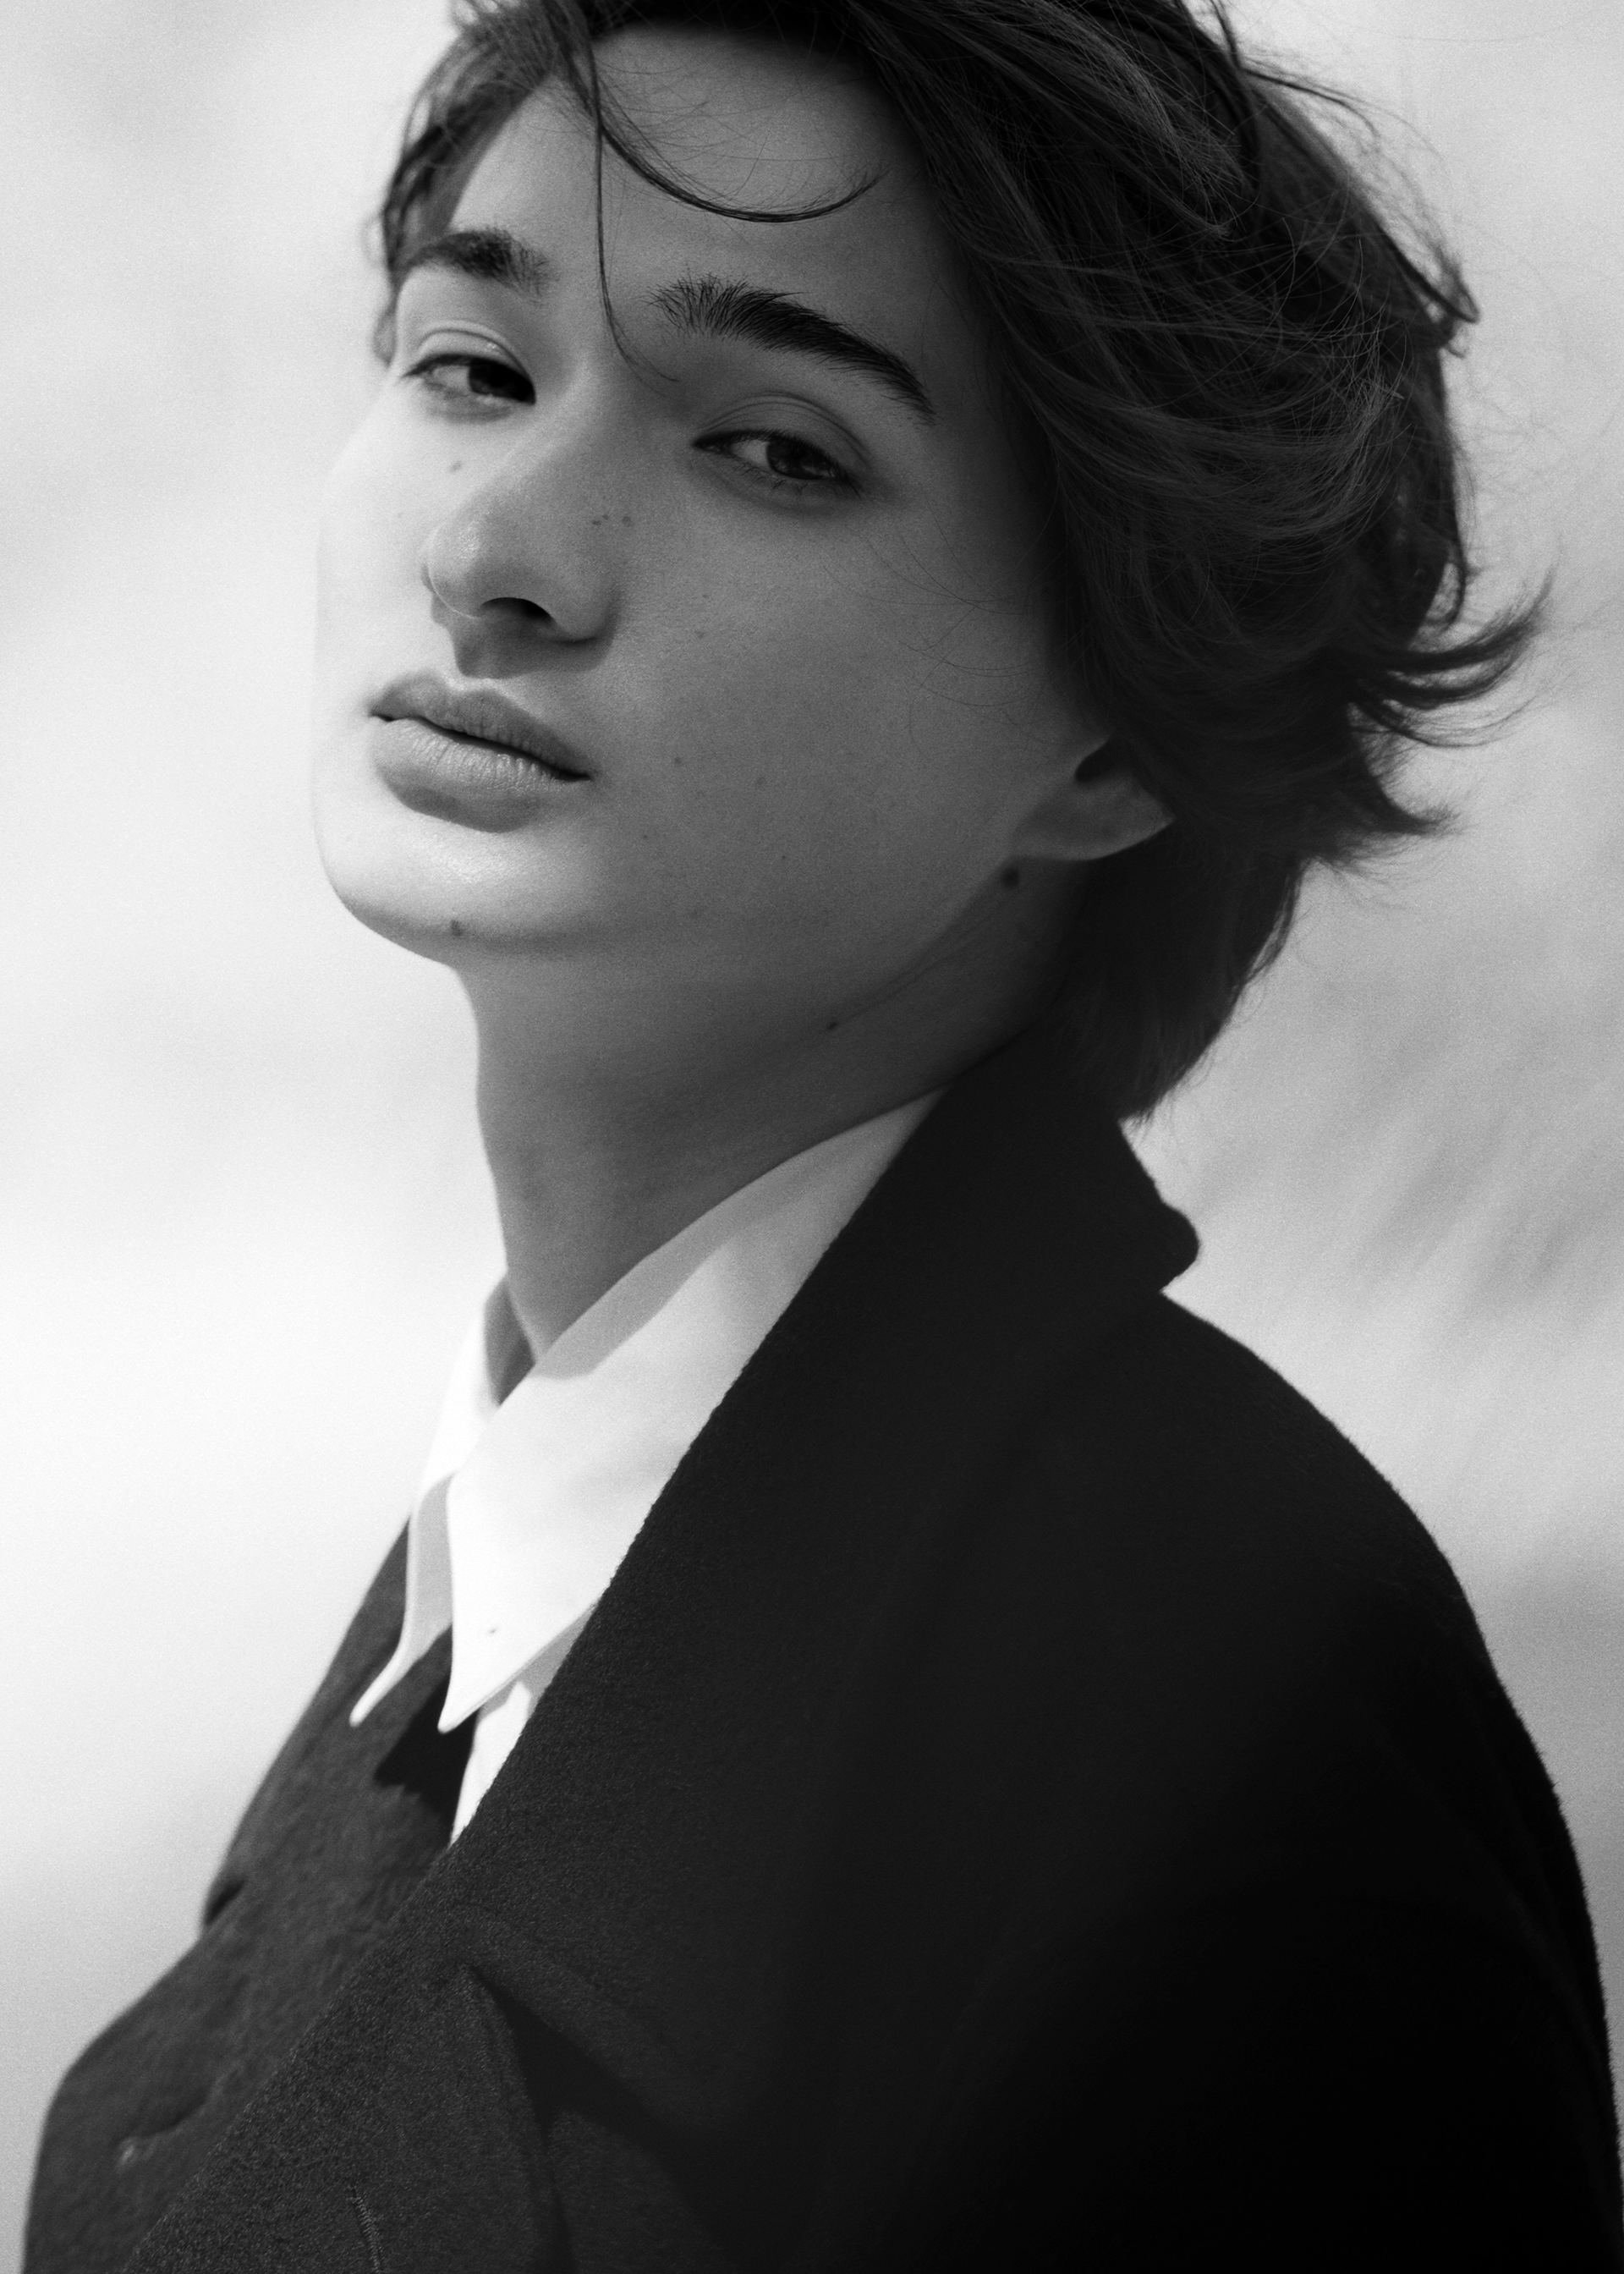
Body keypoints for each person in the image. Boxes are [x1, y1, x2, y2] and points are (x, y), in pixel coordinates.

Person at [25, 1, 1622, 2266]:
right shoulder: (510, 1609)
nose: (497, 543)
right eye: (472, 365)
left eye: (774, 449)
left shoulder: (1228, 1769)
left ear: (1118, 728)